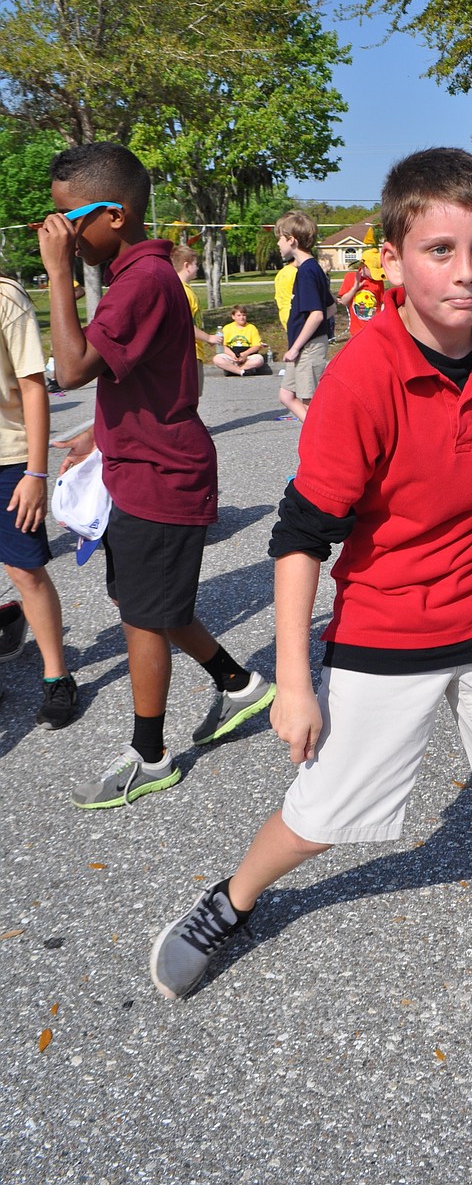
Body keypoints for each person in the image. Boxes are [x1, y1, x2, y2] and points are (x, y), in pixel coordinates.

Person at [150, 147, 472, 1001]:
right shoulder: (363, 374)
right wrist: (292, 681)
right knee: (322, 813)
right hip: (387, 624)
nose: (467, 272)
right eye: (440, 250)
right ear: (391, 259)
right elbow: (300, 536)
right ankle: (231, 901)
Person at [37, 142, 275, 810]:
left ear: (113, 215)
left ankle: (150, 754)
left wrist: (57, 274)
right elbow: (160, 376)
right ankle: (238, 685)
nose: (59, 234)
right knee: (151, 603)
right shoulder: (140, 275)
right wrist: (100, 431)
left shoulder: (141, 281)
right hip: (142, 466)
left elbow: (75, 365)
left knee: (147, 615)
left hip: (163, 477)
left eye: (68, 220)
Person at [0, 275, 77, 727]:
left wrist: (35, 472)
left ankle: (57, 675)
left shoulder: (6, 297)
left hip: (8, 459)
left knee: (24, 569)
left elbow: (33, 386)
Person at [276, 210, 332, 423]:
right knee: (286, 395)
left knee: (309, 402)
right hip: (305, 346)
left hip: (307, 348)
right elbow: (331, 308)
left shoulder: (307, 272)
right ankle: (315, 438)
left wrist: (296, 347)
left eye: (280, 238)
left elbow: (317, 315)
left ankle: (321, 446)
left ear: (292, 240)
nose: (278, 244)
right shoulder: (312, 268)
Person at [170, 244, 223, 397]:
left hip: (193, 351)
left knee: (192, 394)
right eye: (196, 264)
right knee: (189, 394)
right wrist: (209, 338)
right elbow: (185, 324)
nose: (198, 267)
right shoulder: (182, 291)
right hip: (189, 352)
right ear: (187, 266)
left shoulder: (183, 289)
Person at [336, 247, 385, 336]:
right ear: (363, 266)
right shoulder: (350, 277)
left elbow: (382, 304)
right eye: (373, 270)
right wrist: (355, 287)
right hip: (357, 331)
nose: (375, 274)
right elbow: (343, 302)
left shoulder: (378, 281)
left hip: (375, 330)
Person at [212, 305, 267, 377]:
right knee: (217, 359)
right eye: (239, 315)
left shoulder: (252, 328)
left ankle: (233, 370)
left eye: (244, 315)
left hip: (247, 356)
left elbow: (256, 346)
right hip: (231, 355)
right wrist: (232, 355)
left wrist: (245, 354)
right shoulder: (227, 328)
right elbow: (223, 346)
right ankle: (241, 371)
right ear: (233, 316)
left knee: (259, 360)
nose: (242, 317)